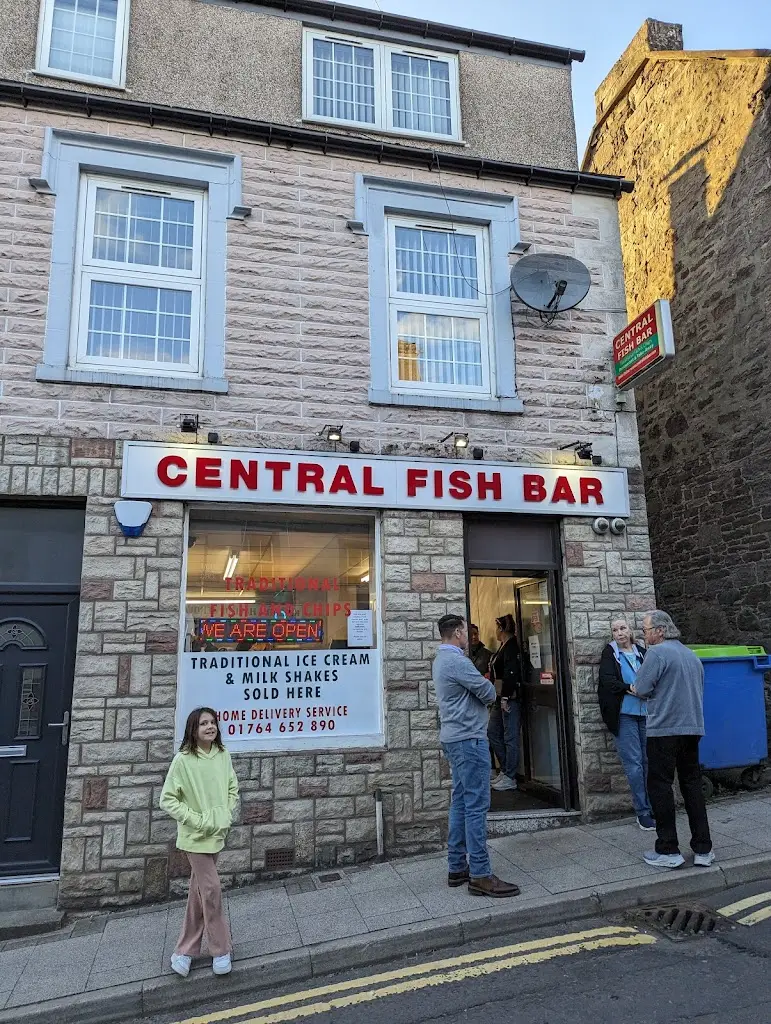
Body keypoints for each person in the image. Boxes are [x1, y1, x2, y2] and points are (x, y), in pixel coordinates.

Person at [432, 614, 521, 898]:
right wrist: (485, 689)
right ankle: (481, 874)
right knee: (476, 806)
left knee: (460, 802)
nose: (465, 637)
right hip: (469, 740)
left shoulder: (441, 659)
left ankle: (457, 867)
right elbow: (487, 691)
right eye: (463, 632)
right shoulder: (457, 660)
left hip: (454, 739)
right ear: (458, 632)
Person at [160, 707, 240, 978]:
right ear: (193, 729)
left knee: (200, 894)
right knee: (212, 890)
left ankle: (184, 950)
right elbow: (168, 799)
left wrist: (225, 814)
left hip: (217, 833)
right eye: (203, 723)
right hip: (195, 837)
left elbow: (232, 789)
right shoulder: (182, 760)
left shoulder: (223, 755)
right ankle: (221, 949)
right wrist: (196, 819)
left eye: (213, 722)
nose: (210, 726)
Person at [631, 610, 713, 869]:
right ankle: (703, 850)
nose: (643, 636)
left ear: (660, 631)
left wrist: (636, 688)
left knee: (660, 787)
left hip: (664, 730)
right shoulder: (691, 655)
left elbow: (641, 688)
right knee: (692, 786)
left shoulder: (657, 653)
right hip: (692, 729)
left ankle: (668, 850)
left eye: (645, 630)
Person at [597, 619, 655, 831]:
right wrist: (630, 688)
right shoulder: (610, 653)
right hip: (624, 715)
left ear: (630, 631)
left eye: (623, 628)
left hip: (646, 713)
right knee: (634, 763)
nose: (619, 633)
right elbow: (608, 681)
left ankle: (653, 805)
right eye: (614, 630)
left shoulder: (642, 651)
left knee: (648, 761)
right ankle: (642, 812)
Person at [487, 614, 523, 792]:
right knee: (492, 732)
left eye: (496, 627)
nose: (495, 631)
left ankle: (510, 776)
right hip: (498, 696)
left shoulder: (511, 647)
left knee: (510, 736)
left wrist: (506, 697)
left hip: (508, 697)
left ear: (501, 629)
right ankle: (505, 768)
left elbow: (511, 673)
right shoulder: (503, 647)